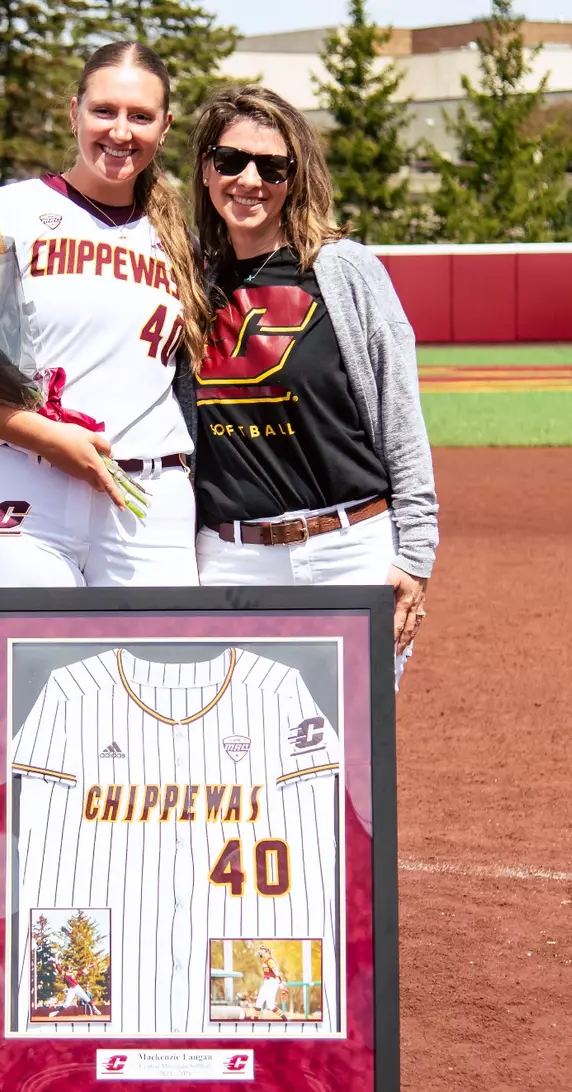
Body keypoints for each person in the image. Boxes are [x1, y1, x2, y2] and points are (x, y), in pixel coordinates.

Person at [0, 42, 207, 588]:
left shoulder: (183, 242)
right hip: (29, 485)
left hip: (150, 501)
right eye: (105, 111)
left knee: (159, 675)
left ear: (164, 129)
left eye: (141, 116)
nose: (121, 131)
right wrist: (47, 438)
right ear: (74, 113)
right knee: (32, 671)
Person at [176, 85, 438, 672]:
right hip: (231, 558)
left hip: (350, 548)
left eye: (272, 167)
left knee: (355, 757)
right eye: (230, 160)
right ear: (205, 169)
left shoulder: (345, 271)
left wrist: (415, 554)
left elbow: (400, 416)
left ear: (296, 177)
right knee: (238, 750)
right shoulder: (191, 283)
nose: (249, 179)